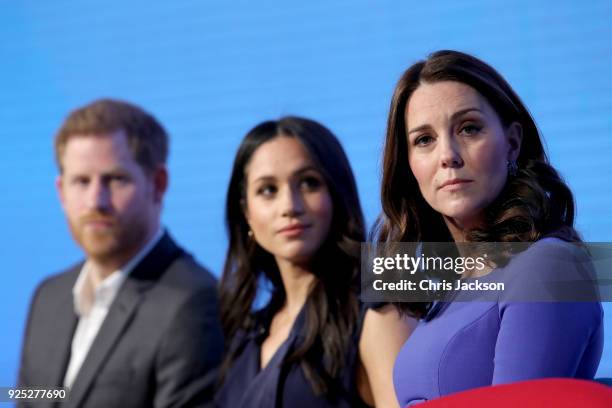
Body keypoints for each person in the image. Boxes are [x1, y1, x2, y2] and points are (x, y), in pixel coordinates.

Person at [374, 50, 604, 405]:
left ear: (512, 143)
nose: (447, 155)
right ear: (409, 165)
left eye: (469, 128)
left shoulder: (548, 266)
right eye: (424, 140)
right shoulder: (448, 289)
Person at [18, 99, 224, 408]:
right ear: (61, 192)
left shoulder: (195, 302)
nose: (95, 201)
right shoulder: (48, 297)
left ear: (158, 184)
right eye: (81, 181)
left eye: (115, 180)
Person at [215, 117, 413, 407]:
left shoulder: (380, 302)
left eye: (309, 183)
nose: (290, 207)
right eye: (268, 190)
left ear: (337, 193)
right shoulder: (244, 334)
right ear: (246, 212)